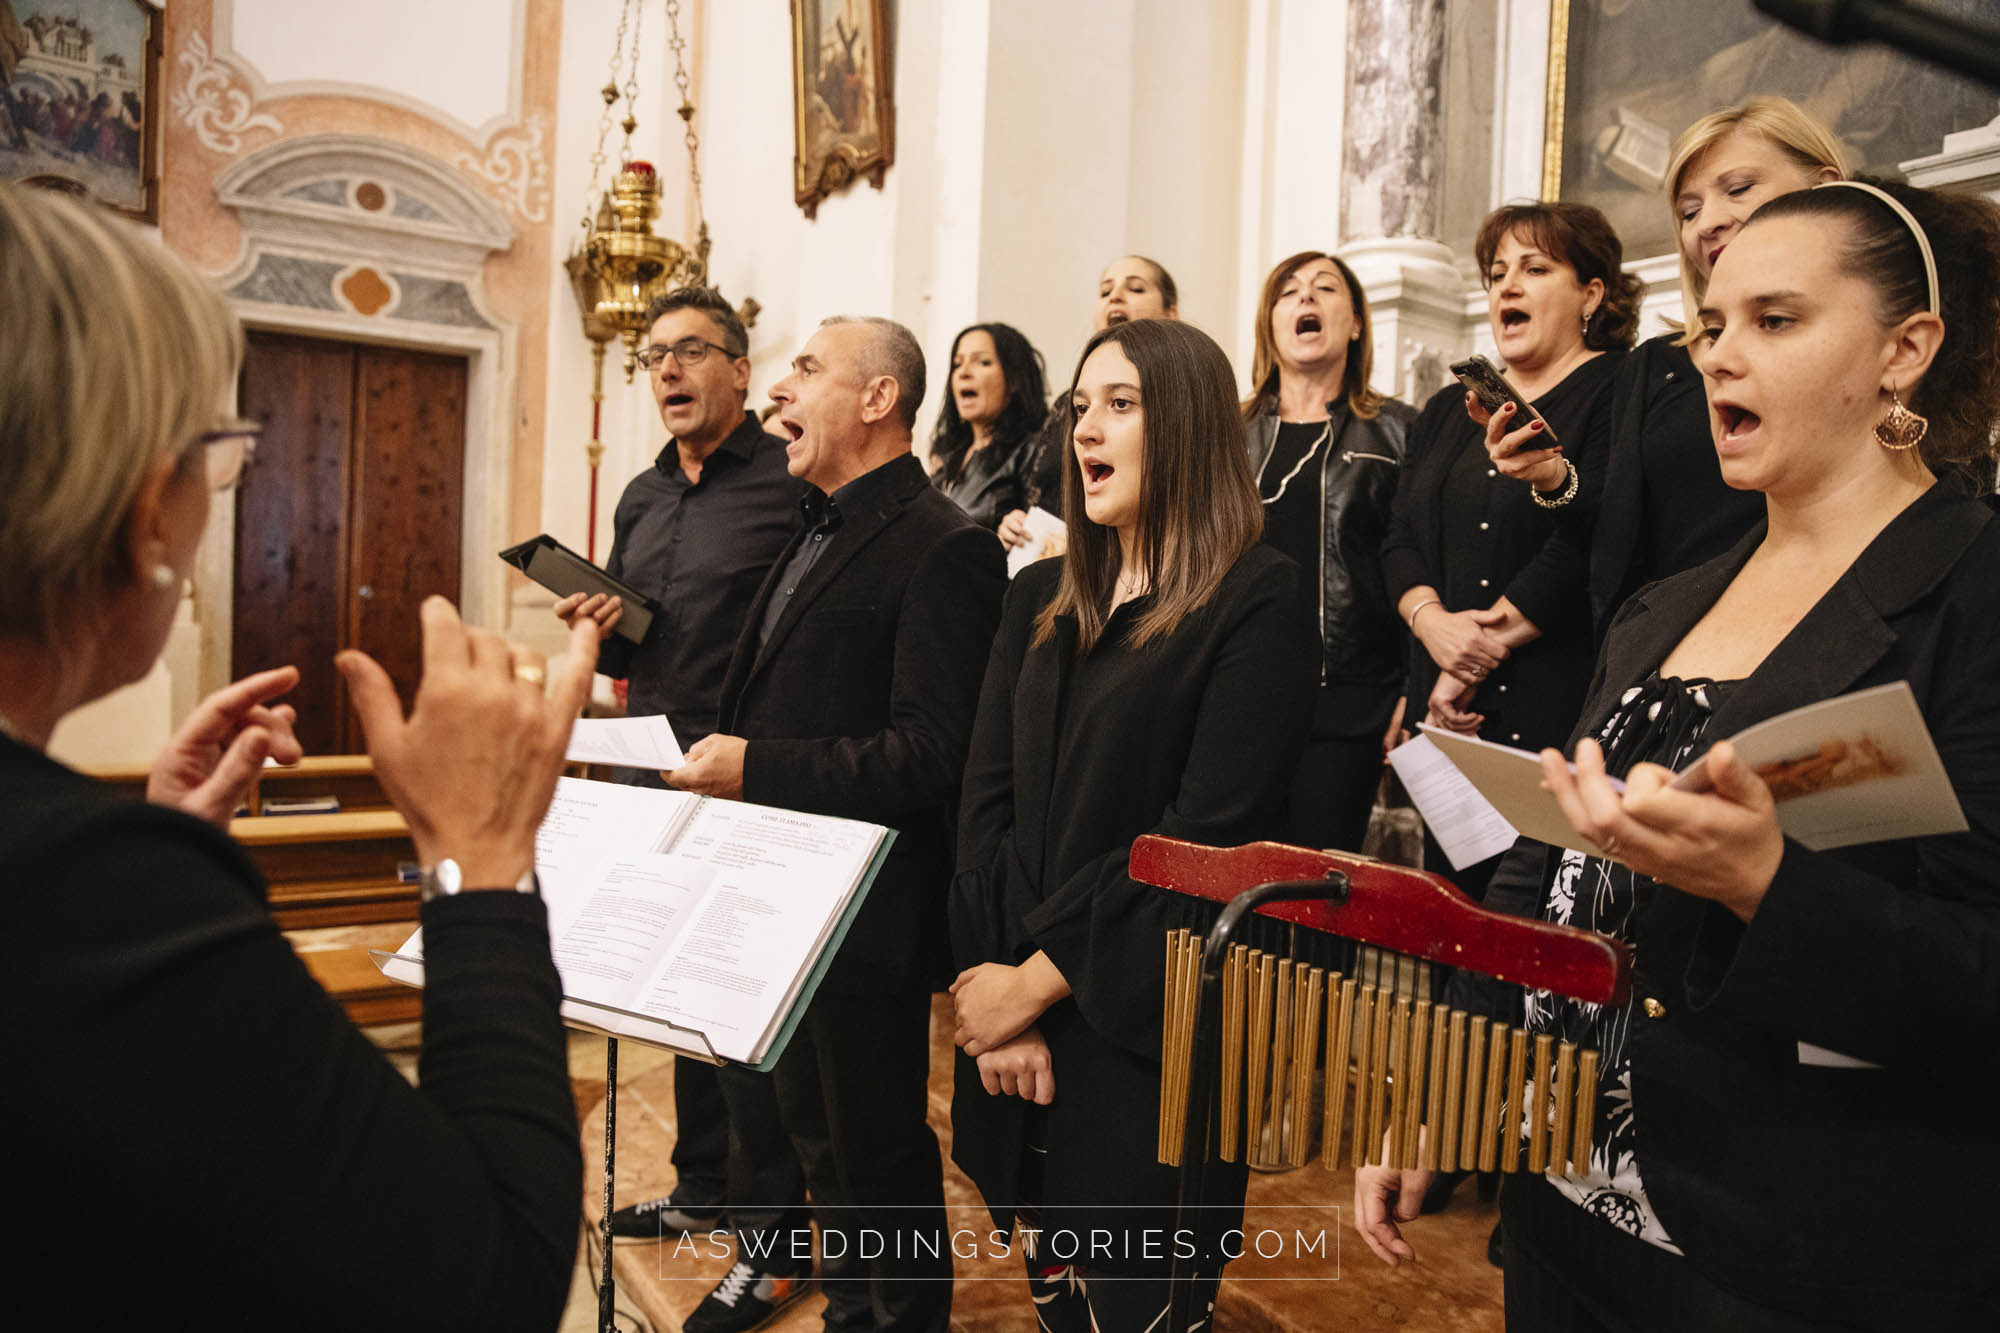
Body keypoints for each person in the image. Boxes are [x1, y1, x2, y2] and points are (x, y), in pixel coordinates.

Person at [1356, 177, 2000, 1330]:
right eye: (1710, 325)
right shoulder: (1663, 605)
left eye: (1774, 320)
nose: (1716, 357)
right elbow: (1538, 869)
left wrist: (1766, 887)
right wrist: (1443, 1090)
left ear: (1904, 349)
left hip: (1785, 1241)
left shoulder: (1973, 598)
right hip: (1560, 1197)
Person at [0, 183, 599, 1330]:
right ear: (141, 518)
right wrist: (480, 859)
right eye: (215, 457)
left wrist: (161, 854)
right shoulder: (75, 896)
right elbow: (486, 1286)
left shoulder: (84, 888)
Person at [949, 317, 1316, 1331]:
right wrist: (998, 996)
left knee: (1139, 1310)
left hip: (1151, 1029)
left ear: (1190, 426)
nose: (1086, 430)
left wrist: (1029, 981)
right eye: (1079, 407)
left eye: (1120, 405)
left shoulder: (1257, 598)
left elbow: (1204, 841)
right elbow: (982, 806)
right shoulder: (1035, 593)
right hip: (1014, 1024)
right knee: (1054, 1307)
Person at [666, 316, 1006, 1333]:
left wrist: (751, 765)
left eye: (806, 370)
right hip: (781, 894)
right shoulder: (810, 524)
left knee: (875, 1152)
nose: (778, 390)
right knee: (816, 1143)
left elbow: (929, 751)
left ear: (876, 400)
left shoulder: (945, 546)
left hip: (863, 911)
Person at [555, 288, 812, 1267]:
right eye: (655, 354)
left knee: (741, 1010)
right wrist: (594, 622)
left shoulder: (787, 484)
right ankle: (704, 1189)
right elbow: (639, 648)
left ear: (740, 370)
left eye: (690, 350)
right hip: (648, 770)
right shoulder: (641, 493)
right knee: (675, 995)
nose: (666, 368)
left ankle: (770, 1227)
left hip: (746, 775)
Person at [1382, 201, 1640, 902]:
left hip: (1553, 699)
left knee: (1532, 931)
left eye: (1535, 268)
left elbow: (1594, 538)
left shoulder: (1622, 390)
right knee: (1455, 922)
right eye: (1497, 273)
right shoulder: (1446, 408)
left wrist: (1473, 653)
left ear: (1591, 292)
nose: (1508, 287)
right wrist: (1433, 626)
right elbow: (1401, 537)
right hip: (1447, 710)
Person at [1579, 97, 1845, 639]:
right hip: (1681, 659)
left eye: (1739, 189)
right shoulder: (1655, 365)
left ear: (1825, 189)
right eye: (1688, 211)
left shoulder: (1877, 345)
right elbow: (1619, 547)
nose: (1710, 223)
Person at [1242, 251, 1417, 851]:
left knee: (1315, 895)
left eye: (1325, 288)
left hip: (1348, 700)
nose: (1306, 300)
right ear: (1271, 322)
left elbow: (1417, 558)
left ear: (1357, 322)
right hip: (1238, 692)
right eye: (1289, 292)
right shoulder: (1226, 431)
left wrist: (1410, 687)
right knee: (1229, 886)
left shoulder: (1397, 430)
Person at [998, 254, 1181, 556]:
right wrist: (1018, 525)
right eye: (1105, 291)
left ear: (1170, 314)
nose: (1115, 297)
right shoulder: (1064, 404)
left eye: (1135, 289)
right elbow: (1045, 494)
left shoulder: (1182, 397)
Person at [928, 321, 1049, 530]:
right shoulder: (947, 456)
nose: (964, 372)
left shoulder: (1033, 450)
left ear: (1014, 381)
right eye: (957, 364)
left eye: (982, 362)